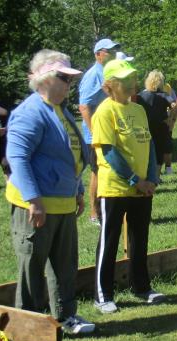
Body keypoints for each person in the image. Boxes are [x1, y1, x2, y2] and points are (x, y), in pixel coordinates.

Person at [5, 49, 95, 333]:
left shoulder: (61, 110)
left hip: (63, 203)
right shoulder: (29, 112)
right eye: (63, 78)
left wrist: (78, 190)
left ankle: (66, 317)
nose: (69, 84)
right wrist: (34, 200)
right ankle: (26, 328)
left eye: (70, 79)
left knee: (65, 267)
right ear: (44, 78)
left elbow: (71, 155)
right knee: (31, 268)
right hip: (36, 207)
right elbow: (17, 158)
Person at [92, 59, 165, 313]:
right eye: (125, 80)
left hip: (143, 188)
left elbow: (150, 144)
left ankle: (141, 287)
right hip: (115, 188)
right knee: (109, 240)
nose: (132, 84)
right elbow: (109, 152)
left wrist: (152, 178)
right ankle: (103, 294)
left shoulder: (138, 110)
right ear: (110, 85)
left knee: (139, 238)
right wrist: (136, 180)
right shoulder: (104, 111)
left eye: (132, 79)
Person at [79, 38, 121, 225]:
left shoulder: (107, 73)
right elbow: (84, 106)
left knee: (107, 171)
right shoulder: (93, 75)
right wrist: (95, 132)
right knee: (97, 172)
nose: (112, 54)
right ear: (98, 54)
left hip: (108, 131)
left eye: (114, 51)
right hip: (95, 135)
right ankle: (95, 214)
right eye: (108, 51)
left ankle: (108, 210)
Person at [137, 70, 177, 180]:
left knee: (145, 153)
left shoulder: (140, 96)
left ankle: (146, 176)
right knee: (158, 153)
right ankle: (156, 178)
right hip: (161, 128)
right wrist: (170, 118)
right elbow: (174, 106)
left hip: (145, 127)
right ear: (161, 82)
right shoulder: (164, 95)